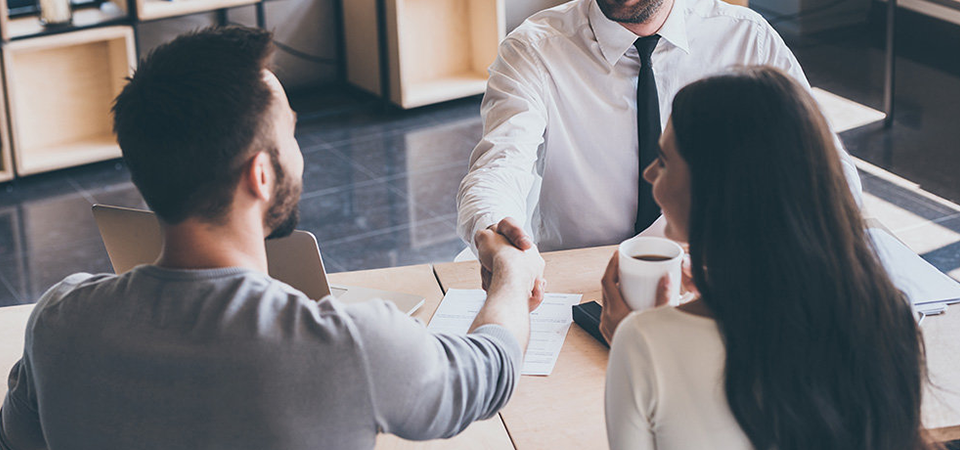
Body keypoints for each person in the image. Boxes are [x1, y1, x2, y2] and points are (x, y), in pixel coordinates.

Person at [0, 26, 546, 450]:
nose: (300, 153)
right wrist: (512, 275)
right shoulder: (345, 345)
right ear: (261, 175)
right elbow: (488, 370)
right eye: (290, 133)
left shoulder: (58, 320)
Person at [600, 66, 930, 450]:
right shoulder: (889, 318)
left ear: (717, 191)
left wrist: (633, 337)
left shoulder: (644, 343)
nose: (649, 172)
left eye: (665, 160)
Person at [456, 0, 863, 255]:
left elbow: (827, 170)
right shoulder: (533, 49)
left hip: (715, 270)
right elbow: (499, 164)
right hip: (581, 274)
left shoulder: (746, 38)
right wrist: (492, 227)